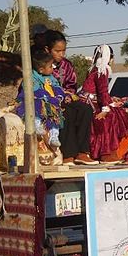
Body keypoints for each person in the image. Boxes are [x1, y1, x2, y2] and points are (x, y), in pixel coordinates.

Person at [44, 30, 98, 165]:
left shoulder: (67, 65)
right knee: (67, 113)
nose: (61, 54)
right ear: (47, 49)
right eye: (57, 51)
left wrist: (67, 94)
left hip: (66, 98)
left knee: (85, 109)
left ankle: (82, 152)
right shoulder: (41, 65)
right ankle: (68, 154)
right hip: (47, 101)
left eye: (63, 51)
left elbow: (72, 84)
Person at [78, 44, 128, 163]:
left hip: (86, 100)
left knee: (115, 111)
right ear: (109, 57)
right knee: (113, 117)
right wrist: (105, 109)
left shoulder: (93, 68)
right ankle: (106, 153)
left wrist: (110, 101)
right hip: (90, 102)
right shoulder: (102, 69)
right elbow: (102, 91)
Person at [15, 50, 64, 147]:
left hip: (49, 102)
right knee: (36, 106)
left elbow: (57, 87)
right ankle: (36, 125)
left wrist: (59, 95)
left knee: (55, 115)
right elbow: (33, 89)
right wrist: (45, 96)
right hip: (36, 99)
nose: (52, 68)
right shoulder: (31, 77)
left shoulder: (51, 77)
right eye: (50, 66)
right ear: (41, 69)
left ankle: (54, 136)